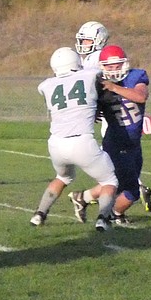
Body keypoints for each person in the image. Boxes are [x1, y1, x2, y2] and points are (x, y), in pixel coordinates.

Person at [30, 47, 119, 231]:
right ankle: (103, 218)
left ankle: (39, 214)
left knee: (63, 177)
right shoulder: (91, 75)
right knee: (109, 181)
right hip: (82, 141)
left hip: (56, 143)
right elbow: (108, 97)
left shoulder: (46, 85)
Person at [73, 45, 147, 225]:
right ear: (102, 67)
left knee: (120, 184)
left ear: (125, 64)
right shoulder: (98, 85)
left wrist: (114, 88)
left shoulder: (136, 76)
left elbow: (140, 97)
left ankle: (83, 197)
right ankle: (114, 214)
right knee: (131, 191)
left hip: (134, 142)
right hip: (116, 142)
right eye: (109, 66)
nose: (113, 70)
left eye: (117, 65)